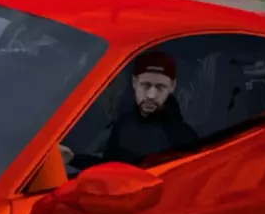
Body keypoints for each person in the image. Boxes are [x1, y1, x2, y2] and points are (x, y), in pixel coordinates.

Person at [61, 51, 198, 169]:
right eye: (145, 86)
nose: (151, 95)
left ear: (172, 87)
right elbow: (110, 170)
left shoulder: (183, 138)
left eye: (160, 87)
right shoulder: (124, 123)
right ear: (134, 83)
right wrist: (73, 159)